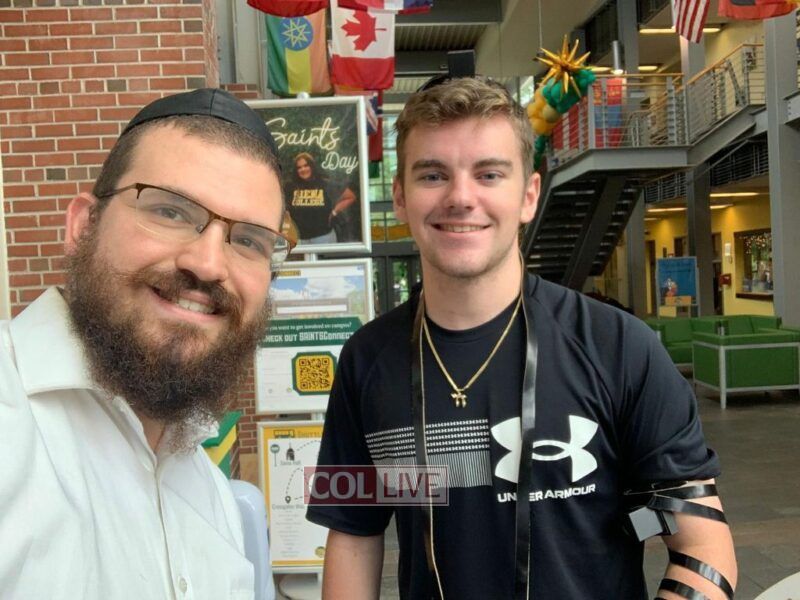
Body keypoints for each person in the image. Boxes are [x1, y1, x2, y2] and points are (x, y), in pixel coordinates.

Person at [306, 78, 737, 599]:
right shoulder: (365, 360)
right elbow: (354, 534)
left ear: (529, 195)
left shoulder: (619, 346)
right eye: (433, 175)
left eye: (489, 174)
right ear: (400, 197)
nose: (460, 197)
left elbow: (703, 547)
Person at [0, 88, 293, 599]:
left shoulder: (212, 496)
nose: (208, 264)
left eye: (249, 240)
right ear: (83, 226)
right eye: (170, 212)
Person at [287, 151, 357, 244]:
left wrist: (334, 211)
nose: (303, 169)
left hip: (323, 237)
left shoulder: (324, 183)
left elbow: (350, 196)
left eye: (306, 165)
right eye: (299, 167)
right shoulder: (291, 186)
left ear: (312, 166)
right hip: (299, 238)